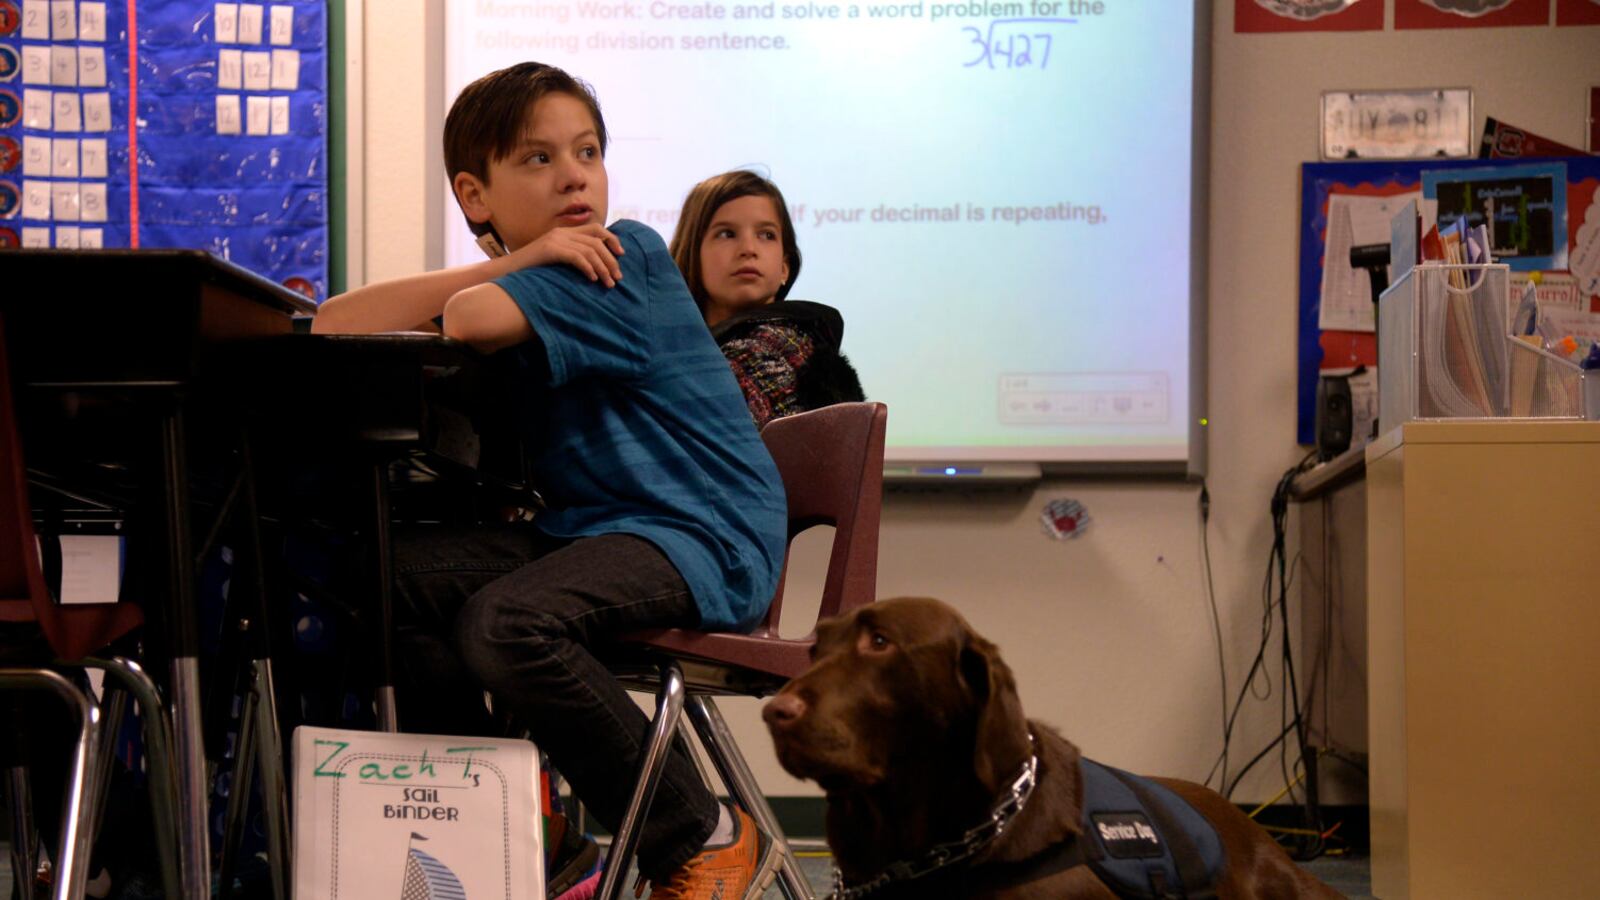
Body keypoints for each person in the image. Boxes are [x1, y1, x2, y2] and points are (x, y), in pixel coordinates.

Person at [313, 62, 785, 900]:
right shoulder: (543, 271)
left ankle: (701, 832)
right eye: (539, 159)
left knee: (506, 624)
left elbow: (469, 317)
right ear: (475, 193)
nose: (576, 175)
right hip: (603, 532)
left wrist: (521, 256)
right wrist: (522, 258)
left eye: (589, 152)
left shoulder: (621, 254)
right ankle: (510, 820)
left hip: (700, 534)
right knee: (374, 579)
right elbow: (333, 323)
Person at [670, 170, 865, 428]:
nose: (748, 249)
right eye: (727, 234)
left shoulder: (754, 356)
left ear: (784, 267)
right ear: (692, 255)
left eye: (766, 235)